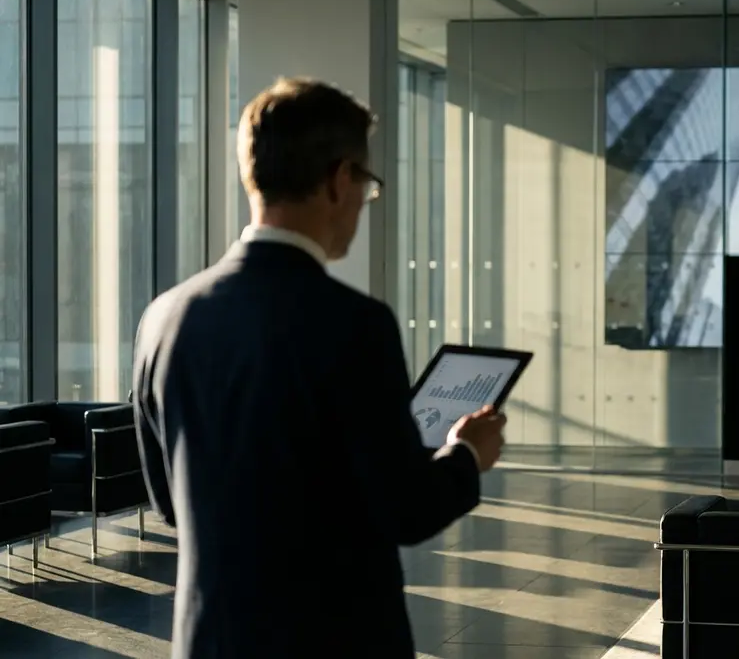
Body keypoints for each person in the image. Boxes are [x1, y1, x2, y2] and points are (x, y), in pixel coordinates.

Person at [131, 77, 506, 658]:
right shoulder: (353, 325)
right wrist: (467, 454)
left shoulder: (163, 318)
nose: (363, 203)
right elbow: (406, 510)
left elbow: (168, 501)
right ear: (340, 180)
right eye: (368, 185)